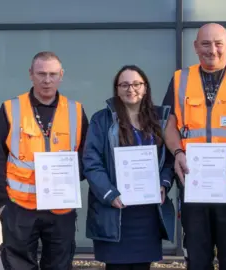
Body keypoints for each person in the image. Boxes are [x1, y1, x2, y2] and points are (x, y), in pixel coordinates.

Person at [161, 23, 226, 269]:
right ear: (195, 47)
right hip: (193, 182)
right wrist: (177, 152)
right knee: (197, 256)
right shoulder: (180, 79)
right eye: (206, 44)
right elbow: (169, 124)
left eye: (218, 43)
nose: (213, 50)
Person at [0, 51, 89, 270]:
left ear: (61, 75)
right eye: (41, 73)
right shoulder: (11, 109)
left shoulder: (76, 110)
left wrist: (71, 176)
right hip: (19, 207)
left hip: (61, 209)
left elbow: (86, 156)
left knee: (59, 266)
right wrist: (1, 203)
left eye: (53, 74)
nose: (47, 80)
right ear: (30, 75)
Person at [83, 65, 176, 270]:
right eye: (124, 84)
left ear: (145, 88)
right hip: (115, 212)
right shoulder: (102, 119)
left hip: (148, 215)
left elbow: (169, 159)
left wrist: (163, 184)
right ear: (116, 89)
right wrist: (109, 194)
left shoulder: (160, 119)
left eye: (136, 84)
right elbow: (91, 161)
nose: (130, 89)